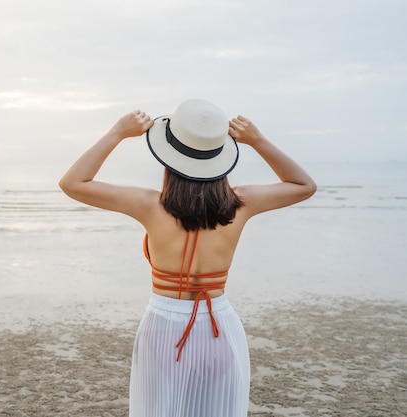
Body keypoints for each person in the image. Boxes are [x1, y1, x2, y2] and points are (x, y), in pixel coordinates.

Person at [59, 99, 316, 417]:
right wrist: (257, 140)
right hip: (220, 327)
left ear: (168, 158)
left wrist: (117, 132)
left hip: (164, 327)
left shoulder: (149, 205)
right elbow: (304, 185)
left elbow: (72, 183)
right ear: (220, 158)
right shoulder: (241, 203)